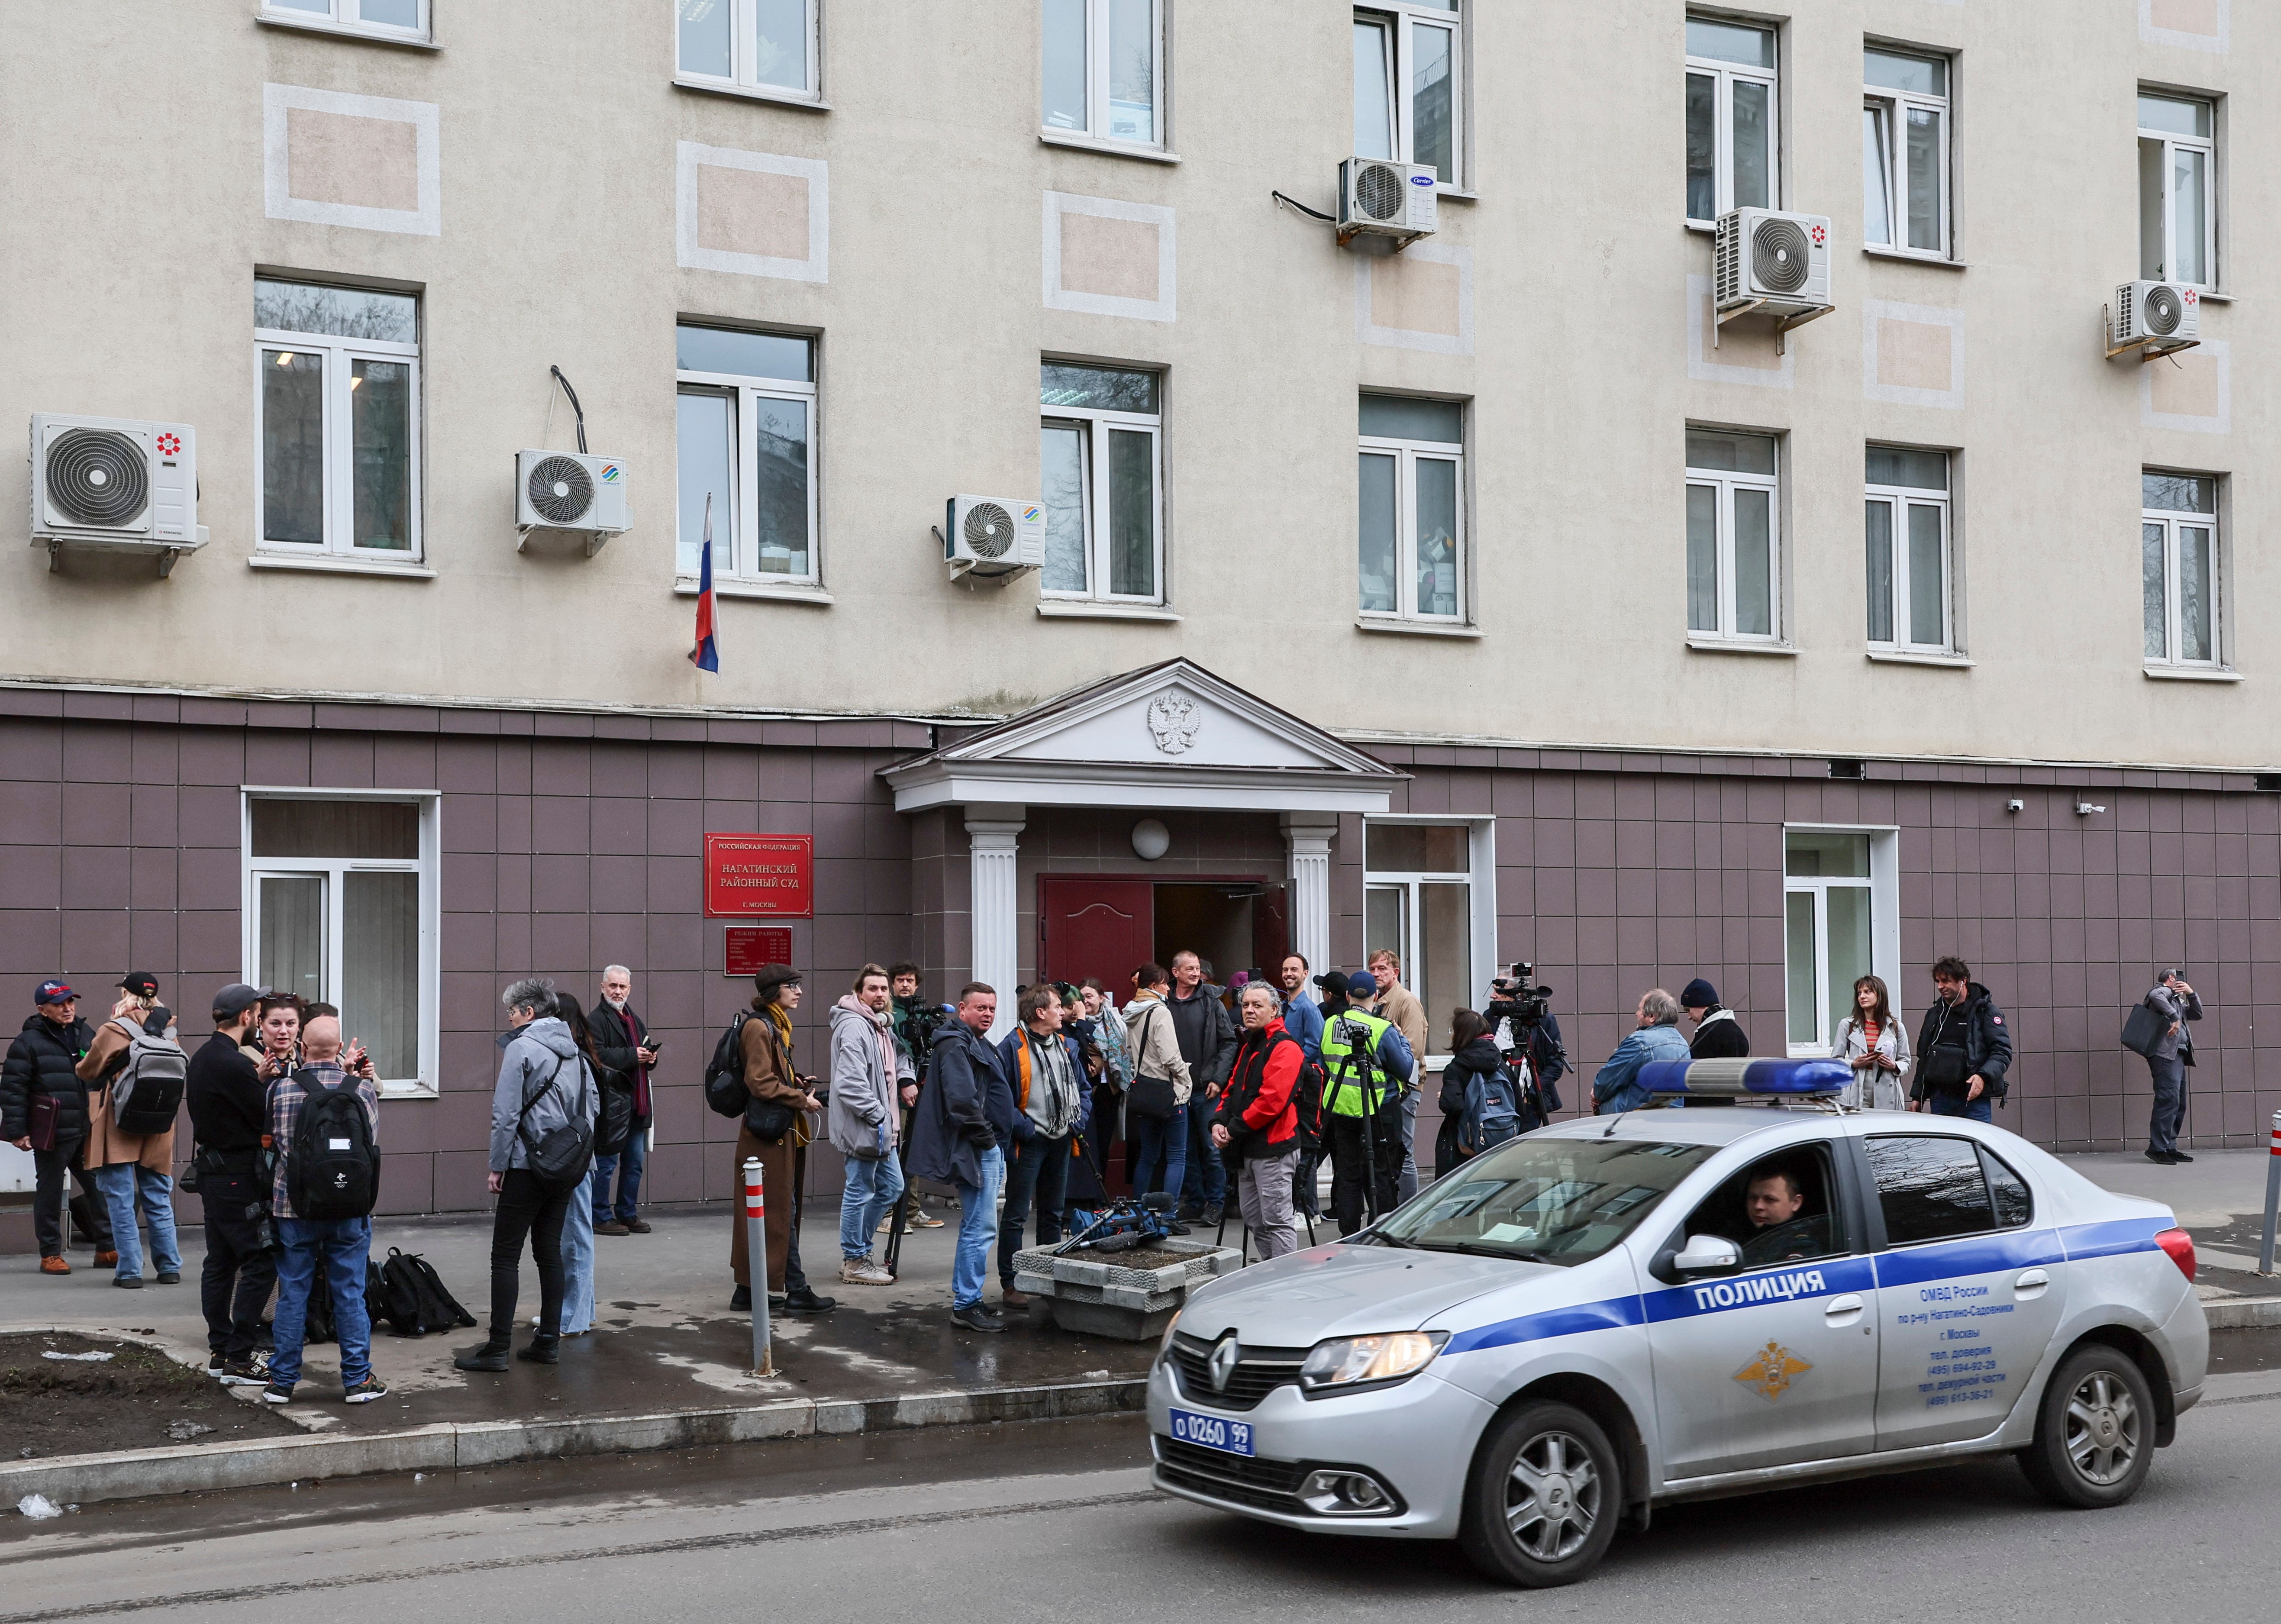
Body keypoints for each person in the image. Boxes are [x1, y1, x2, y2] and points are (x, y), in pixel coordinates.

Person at [455, 979, 597, 1374]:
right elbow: (590, 1111)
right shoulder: (577, 1055)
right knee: (549, 1253)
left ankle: (498, 1347)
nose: (510, 1018)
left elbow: (505, 1114)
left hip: (524, 1165)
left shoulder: (521, 1048)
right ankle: (548, 1343)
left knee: (505, 1256)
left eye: (512, 1012)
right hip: (566, 1167)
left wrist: (497, 1165)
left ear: (529, 1013)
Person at [263, 1014, 387, 1405]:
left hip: (294, 1206)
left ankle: (281, 1381)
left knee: (292, 1292)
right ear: (339, 1050)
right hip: (349, 1206)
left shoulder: (281, 1090)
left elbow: (274, 1148)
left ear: (302, 1047)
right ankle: (357, 1380)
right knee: (349, 1292)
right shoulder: (363, 1091)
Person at [907, 982, 1015, 1332]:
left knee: (979, 1225)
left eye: (992, 1009)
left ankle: (968, 1298)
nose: (988, 1014)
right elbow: (962, 1101)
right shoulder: (956, 1044)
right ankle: (966, 1303)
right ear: (962, 1008)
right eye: (981, 1008)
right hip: (977, 1147)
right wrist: (987, 1141)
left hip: (985, 1146)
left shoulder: (973, 1042)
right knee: (979, 1227)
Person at [726, 964, 833, 1316]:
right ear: (775, 991)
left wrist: (796, 1081)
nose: (799, 991)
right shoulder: (760, 1027)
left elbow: (771, 1076)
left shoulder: (773, 1025)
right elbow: (759, 1082)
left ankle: (747, 1290)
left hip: (771, 1134)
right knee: (778, 1213)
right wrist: (803, 1099)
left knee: (772, 1212)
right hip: (766, 1137)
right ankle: (797, 1289)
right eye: (792, 986)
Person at [184, 983, 277, 1382]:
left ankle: (222, 1350)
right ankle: (241, 1355)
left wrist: (252, 1078)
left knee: (220, 1262)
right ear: (246, 1017)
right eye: (258, 1013)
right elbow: (264, 1116)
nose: (259, 1020)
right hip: (237, 1176)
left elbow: (228, 1105)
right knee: (261, 1259)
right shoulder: (233, 1063)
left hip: (214, 1174)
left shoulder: (206, 1056)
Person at [76, 972, 184, 1289]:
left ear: (126, 994)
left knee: (121, 1201)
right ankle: (169, 1267)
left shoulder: (114, 1029)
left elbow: (88, 1070)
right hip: (158, 1125)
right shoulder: (169, 1030)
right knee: (158, 1197)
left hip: (119, 1122)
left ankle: (130, 1271)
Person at [4, 980, 114, 1274]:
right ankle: (50, 1253)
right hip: (53, 1132)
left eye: (70, 1002)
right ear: (42, 1009)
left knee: (100, 1188)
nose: (68, 1008)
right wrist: (17, 1131)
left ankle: (106, 1248)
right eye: (59, 1004)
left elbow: (102, 1072)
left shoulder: (84, 1033)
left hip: (87, 1127)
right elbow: (13, 1089)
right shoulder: (27, 1043)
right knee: (50, 1192)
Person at [996, 982, 1089, 1307]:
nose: (1063, 1012)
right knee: (1017, 1214)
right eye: (1056, 1007)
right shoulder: (1010, 1047)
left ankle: (1048, 1276)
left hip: (1062, 1138)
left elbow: (1083, 1088)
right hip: (1030, 1142)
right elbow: (1001, 1099)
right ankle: (1011, 1283)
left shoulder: (1066, 1044)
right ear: (1040, 1013)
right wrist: (1025, 1129)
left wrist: (1078, 1120)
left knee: (1052, 1212)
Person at [830, 963, 912, 1285]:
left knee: (892, 1186)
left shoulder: (880, 1026)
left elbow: (899, 1057)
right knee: (860, 1190)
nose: (880, 994)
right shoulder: (854, 1027)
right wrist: (879, 1115)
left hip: (882, 1128)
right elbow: (849, 1084)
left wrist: (905, 1077)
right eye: (873, 989)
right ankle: (855, 1260)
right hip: (868, 1125)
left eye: (883, 989)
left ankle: (859, 1252)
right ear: (859, 992)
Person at [1211, 983, 1305, 1259]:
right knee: (1255, 1220)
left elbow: (1272, 1101)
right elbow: (1232, 1089)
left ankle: (1284, 1282)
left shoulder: (1285, 1047)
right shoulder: (1251, 1044)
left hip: (1273, 1150)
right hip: (1247, 1149)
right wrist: (1217, 1121)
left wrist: (1231, 1129)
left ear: (1275, 1010)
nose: (1249, 1011)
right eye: (1245, 1005)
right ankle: (1269, 1275)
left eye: (1257, 1005)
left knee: (1277, 1222)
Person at [1317, 971, 1414, 1235]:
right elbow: (1406, 1070)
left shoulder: (1330, 1023)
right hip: (1378, 1107)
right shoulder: (1383, 1029)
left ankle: (1348, 1232)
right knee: (1382, 1173)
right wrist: (1402, 1039)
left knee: (1347, 1174)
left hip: (1341, 1107)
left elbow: (1324, 1060)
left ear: (1348, 996)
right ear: (1376, 996)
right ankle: (1382, 1232)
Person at [550, 996, 616, 1337]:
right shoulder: (582, 1055)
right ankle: (581, 1311)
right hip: (580, 1158)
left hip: (575, 1160)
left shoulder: (575, 1059)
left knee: (575, 1239)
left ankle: (572, 1317)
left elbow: (587, 1112)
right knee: (575, 1237)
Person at [1166, 951, 1235, 1225]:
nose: (1196, 973)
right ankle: (1194, 1203)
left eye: (1197, 969)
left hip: (1206, 1090)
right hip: (1175, 1092)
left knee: (1212, 1148)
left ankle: (1216, 1204)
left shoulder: (1211, 1002)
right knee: (1185, 1152)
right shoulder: (1164, 1003)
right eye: (1190, 969)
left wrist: (1219, 1078)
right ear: (1176, 973)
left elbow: (1229, 1042)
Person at [589, 965, 658, 1235]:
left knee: (634, 1164)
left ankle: (627, 1213)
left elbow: (643, 1050)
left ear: (630, 989)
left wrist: (651, 1058)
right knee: (606, 1165)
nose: (617, 991)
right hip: (612, 1106)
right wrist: (634, 1056)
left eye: (622, 987)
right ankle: (599, 1216)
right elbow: (598, 1056)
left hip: (636, 1103)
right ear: (602, 987)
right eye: (613, 986)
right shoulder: (595, 1020)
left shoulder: (633, 1019)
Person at [1123, 964, 1193, 1214]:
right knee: (1176, 1156)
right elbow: (1170, 1055)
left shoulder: (1131, 1012)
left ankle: (1140, 1212)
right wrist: (1186, 1078)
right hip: (1169, 1092)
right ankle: (1168, 1214)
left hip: (1144, 1091)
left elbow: (1129, 1053)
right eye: (1165, 983)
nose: (1168, 987)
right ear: (1154, 987)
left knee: (1147, 1156)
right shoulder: (1160, 1012)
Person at [884, 962, 948, 1232]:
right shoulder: (887, 1012)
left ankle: (910, 1210)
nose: (906, 985)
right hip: (894, 1093)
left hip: (920, 1087)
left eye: (910, 980)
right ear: (892, 983)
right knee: (892, 1151)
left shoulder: (922, 1013)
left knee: (913, 1149)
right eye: (900, 980)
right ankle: (888, 1212)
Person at [1911, 957, 2012, 1124]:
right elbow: (1925, 1058)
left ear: (1962, 981)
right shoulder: (1935, 1014)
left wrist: (1982, 1077)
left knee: (1976, 1146)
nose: (1940, 987)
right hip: (1940, 1100)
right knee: (1943, 1149)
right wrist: (1918, 1097)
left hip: (1973, 1101)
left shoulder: (1985, 1012)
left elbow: (2002, 1053)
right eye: (1938, 981)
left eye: (1946, 981)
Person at [1365, 950, 1431, 1200]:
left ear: (1396, 972)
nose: (1376, 974)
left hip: (1405, 1090)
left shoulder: (1406, 1002)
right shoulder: (1376, 1001)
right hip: (1383, 1090)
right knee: (1387, 1154)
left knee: (1403, 1153)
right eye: (1372, 969)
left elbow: (1412, 1052)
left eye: (1382, 968)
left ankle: (1408, 1213)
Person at [1275, 954, 1326, 1217]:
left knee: (1306, 1151)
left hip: (1303, 1090)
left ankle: (1308, 1211)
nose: (1288, 974)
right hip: (1287, 1089)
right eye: (1285, 970)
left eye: (1294, 969)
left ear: (1305, 973)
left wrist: (1290, 1071)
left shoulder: (1309, 1009)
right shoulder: (1283, 1007)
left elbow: (1315, 1048)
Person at [1591, 990, 1692, 1113]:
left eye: (1640, 1010)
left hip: (1630, 1122)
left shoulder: (1640, 1042)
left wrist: (1597, 1093)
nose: (1637, 1014)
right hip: (1672, 1121)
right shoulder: (1683, 1044)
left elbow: (1607, 1081)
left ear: (1652, 1017)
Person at [2140, 968, 2204, 1165]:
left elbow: (2197, 1014)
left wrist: (2191, 994)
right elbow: (2155, 994)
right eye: (2179, 980)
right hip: (2164, 1056)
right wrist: (2174, 1017)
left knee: (2178, 1103)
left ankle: (2169, 1146)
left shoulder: (2177, 1001)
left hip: (2177, 1056)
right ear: (2171, 979)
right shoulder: (2162, 993)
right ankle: (2157, 1149)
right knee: (2168, 1100)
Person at [1435, 1009, 1505, 1174]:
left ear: (1462, 1035)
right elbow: (1518, 1105)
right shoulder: (1501, 1064)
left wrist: (1444, 1096)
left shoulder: (1456, 1069)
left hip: (1464, 1145)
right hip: (1501, 1144)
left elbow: (1453, 1106)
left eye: (1454, 1031)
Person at [1833, 975, 1912, 1111]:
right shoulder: (1847, 1025)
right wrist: (1853, 1063)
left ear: (1880, 995)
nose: (1862, 997)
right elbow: (1836, 1060)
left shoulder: (1896, 1027)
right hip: (1857, 1086)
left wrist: (1894, 1065)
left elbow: (1906, 1062)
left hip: (1886, 1087)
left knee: (1885, 1128)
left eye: (1868, 992)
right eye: (1859, 993)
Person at [1739, 1164, 1831, 1265]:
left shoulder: (1801, 1247)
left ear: (1796, 1203)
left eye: (1770, 1200)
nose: (1758, 1206)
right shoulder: (1737, 1232)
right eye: (1753, 1198)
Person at [1678, 978, 1749, 1057]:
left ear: (1701, 1004)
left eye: (1688, 1010)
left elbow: (1696, 1066)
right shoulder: (1738, 1033)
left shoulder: (1708, 1035)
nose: (1689, 1017)